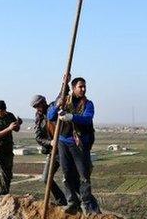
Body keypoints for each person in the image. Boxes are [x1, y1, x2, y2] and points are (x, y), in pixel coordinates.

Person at [47, 76, 100, 215]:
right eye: (80, 86)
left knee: (83, 175)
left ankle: (87, 204)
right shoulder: (64, 101)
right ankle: (72, 202)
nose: (83, 89)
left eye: (84, 87)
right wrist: (58, 105)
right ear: (73, 88)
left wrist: (71, 117)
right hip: (63, 142)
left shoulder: (88, 104)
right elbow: (50, 116)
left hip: (79, 143)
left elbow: (87, 119)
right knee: (67, 174)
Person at [31, 94, 67, 206]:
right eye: (35, 106)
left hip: (64, 148)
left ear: (44, 102)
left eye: (38, 105)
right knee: (46, 178)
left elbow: (61, 95)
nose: (37, 108)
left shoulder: (53, 107)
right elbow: (38, 137)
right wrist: (50, 142)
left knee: (70, 178)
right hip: (53, 151)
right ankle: (61, 201)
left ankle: (79, 203)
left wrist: (64, 83)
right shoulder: (38, 117)